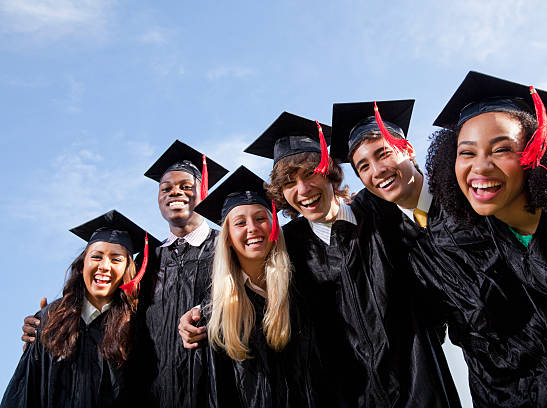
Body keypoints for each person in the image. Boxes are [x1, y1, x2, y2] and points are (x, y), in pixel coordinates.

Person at [330, 74, 547, 406]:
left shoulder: (472, 185)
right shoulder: (386, 232)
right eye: (363, 166)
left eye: (383, 154)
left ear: (407, 148)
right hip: (495, 380)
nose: (376, 170)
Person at [243, 112, 460, 407]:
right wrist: (198, 311)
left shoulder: (382, 212)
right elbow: (248, 282)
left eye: (310, 173)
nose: (303, 190)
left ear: (330, 173)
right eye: (289, 184)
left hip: (420, 386)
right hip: (347, 395)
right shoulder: (287, 247)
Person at [20, 140, 229, 408]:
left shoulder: (227, 249)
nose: (175, 192)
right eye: (166, 188)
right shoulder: (146, 263)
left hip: (217, 388)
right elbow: (108, 313)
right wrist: (50, 323)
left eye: (186, 186)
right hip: (153, 396)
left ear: (204, 190)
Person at [188, 165, 329, 406]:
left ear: (274, 226)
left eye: (261, 218)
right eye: (240, 223)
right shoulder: (215, 315)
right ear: (228, 239)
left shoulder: (304, 288)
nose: (253, 228)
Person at [2, 210, 159, 408]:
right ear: (82, 263)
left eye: (116, 259)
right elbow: (25, 391)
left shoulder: (136, 328)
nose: (104, 266)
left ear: (128, 270)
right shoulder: (49, 320)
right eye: (96, 256)